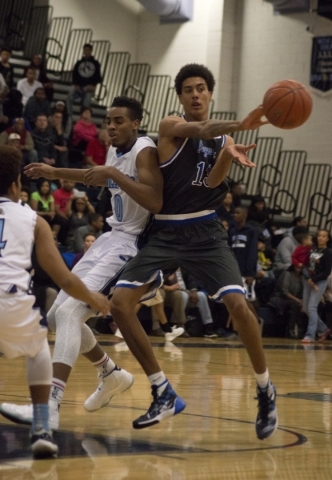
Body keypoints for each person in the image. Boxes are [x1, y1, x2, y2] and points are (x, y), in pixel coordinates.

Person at [108, 63, 277, 439]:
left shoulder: (221, 141)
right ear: (180, 97)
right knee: (120, 304)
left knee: (238, 306)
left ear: (210, 93)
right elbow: (201, 128)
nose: (196, 94)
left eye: (202, 88)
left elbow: (212, 182)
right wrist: (239, 126)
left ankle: (265, 388)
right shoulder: (171, 126)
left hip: (204, 230)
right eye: (188, 89)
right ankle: (161, 390)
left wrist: (228, 155)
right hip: (166, 230)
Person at [1, 96, 163, 431]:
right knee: (57, 316)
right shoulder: (115, 150)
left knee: (72, 313)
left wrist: (113, 172)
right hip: (109, 237)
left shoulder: (145, 150)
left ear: (136, 123)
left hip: (131, 245)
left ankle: (49, 408)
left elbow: (155, 201)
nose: (112, 127)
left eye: (119, 121)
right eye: (108, 122)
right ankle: (110, 373)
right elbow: (103, 178)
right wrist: (56, 171)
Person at [0, 145, 109, 457]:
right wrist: (93, 298)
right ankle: (42, 429)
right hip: (11, 304)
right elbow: (65, 278)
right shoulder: (34, 220)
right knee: (38, 351)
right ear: (15, 187)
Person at [301, 229, 332, 344]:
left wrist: (314, 280)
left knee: (312, 307)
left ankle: (310, 335)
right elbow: (307, 265)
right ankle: (324, 329)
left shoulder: (328, 252)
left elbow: (327, 271)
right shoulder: (312, 250)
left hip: (319, 281)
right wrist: (309, 278)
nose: (321, 238)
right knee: (306, 308)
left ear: (328, 239)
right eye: (319, 235)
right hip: (308, 280)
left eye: (324, 236)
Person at [66, 44, 102, 117]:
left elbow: (98, 76)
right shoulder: (78, 63)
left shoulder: (95, 63)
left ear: (91, 51)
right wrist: (76, 85)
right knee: (69, 96)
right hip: (78, 86)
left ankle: (83, 118)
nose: (86, 52)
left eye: (88, 50)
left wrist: (93, 86)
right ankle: (69, 115)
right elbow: (74, 75)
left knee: (86, 102)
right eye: (85, 50)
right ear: (83, 51)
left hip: (89, 88)